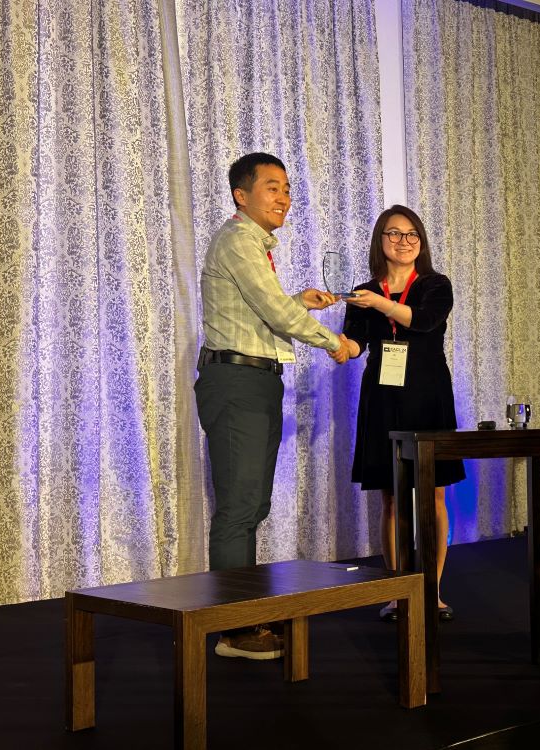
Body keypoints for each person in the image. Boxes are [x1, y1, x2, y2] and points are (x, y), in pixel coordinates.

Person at [195, 152, 349, 659]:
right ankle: (234, 630)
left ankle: (245, 617)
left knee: (252, 506)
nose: (284, 197)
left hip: (256, 380)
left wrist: (299, 301)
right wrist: (334, 342)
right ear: (242, 195)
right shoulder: (239, 239)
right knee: (239, 508)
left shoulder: (252, 244)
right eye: (272, 187)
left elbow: (261, 309)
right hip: (236, 381)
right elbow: (276, 315)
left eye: (286, 188)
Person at [339, 205, 465, 622]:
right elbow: (355, 342)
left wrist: (379, 303)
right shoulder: (363, 291)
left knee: (434, 493)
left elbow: (423, 321)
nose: (404, 241)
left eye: (412, 234)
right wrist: (336, 345)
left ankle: (433, 590)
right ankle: (398, 593)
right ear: (381, 240)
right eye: (394, 233)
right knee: (391, 497)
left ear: (421, 242)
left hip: (428, 395)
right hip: (382, 397)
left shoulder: (435, 284)